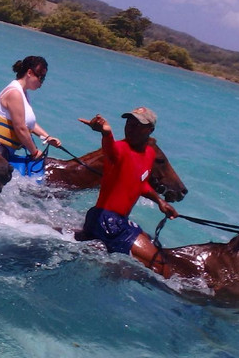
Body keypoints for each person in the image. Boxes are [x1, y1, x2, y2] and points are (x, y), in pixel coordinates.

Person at [76, 107, 178, 274]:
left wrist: (160, 201)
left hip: (120, 221)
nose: (130, 127)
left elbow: (141, 184)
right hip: (105, 219)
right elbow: (110, 150)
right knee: (162, 268)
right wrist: (106, 133)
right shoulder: (120, 149)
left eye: (137, 125)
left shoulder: (150, 154)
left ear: (150, 130)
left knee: (151, 242)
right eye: (129, 123)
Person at [0, 55, 61, 164]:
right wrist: (34, 152)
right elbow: (21, 128)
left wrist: (47, 137)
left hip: (6, 150)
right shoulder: (14, 93)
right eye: (41, 77)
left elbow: (27, 123)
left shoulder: (23, 93)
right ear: (29, 73)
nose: (41, 82)